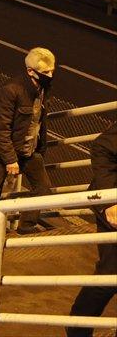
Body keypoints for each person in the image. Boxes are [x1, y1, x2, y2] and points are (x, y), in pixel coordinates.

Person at [0, 47, 56, 236]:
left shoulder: (43, 89)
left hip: (28, 149)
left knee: (42, 188)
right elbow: (1, 128)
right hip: (0, 152)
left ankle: (26, 226)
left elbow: (38, 121)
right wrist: (10, 159)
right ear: (30, 71)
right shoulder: (12, 90)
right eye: (45, 72)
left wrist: (39, 150)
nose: (50, 75)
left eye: (52, 70)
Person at [66, 121, 117, 337]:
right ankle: (78, 328)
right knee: (110, 272)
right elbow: (102, 147)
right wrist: (111, 202)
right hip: (113, 205)